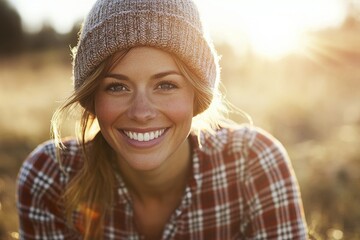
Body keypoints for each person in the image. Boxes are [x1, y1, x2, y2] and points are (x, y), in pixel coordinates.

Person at [16, 0, 308, 239]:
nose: (141, 112)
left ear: (196, 94)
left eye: (166, 85)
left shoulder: (253, 163)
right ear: (93, 97)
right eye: (117, 86)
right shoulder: (51, 178)